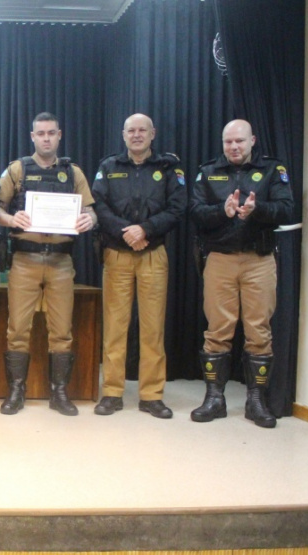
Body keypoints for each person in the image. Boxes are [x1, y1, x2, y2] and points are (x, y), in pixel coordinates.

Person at [190, 119, 294, 428]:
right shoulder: (208, 172)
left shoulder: (273, 170)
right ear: (222, 143)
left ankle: (256, 401)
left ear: (252, 141)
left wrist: (256, 210)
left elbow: (287, 208)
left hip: (259, 260)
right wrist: (221, 211)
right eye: (228, 142)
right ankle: (214, 398)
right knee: (217, 329)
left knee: (258, 331)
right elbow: (194, 213)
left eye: (239, 141)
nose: (234, 147)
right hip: (220, 259)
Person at [0, 112, 96, 416]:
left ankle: (59, 393)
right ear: (33, 136)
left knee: (62, 330)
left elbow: (92, 211)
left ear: (60, 135)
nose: (47, 138)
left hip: (61, 261)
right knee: (17, 329)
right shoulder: (17, 169)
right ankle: (16, 391)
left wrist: (88, 220)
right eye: (41, 133)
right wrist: (12, 219)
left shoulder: (73, 172)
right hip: (24, 259)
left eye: (52, 133)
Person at [91, 113, 185, 419]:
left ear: (153, 133)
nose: (136, 135)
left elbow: (178, 207)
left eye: (142, 130)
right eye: (131, 130)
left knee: (152, 328)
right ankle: (112, 392)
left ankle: (151, 395)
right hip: (117, 253)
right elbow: (98, 206)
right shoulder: (108, 167)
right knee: (115, 327)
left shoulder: (169, 167)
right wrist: (126, 232)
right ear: (123, 135)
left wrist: (145, 229)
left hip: (153, 253)